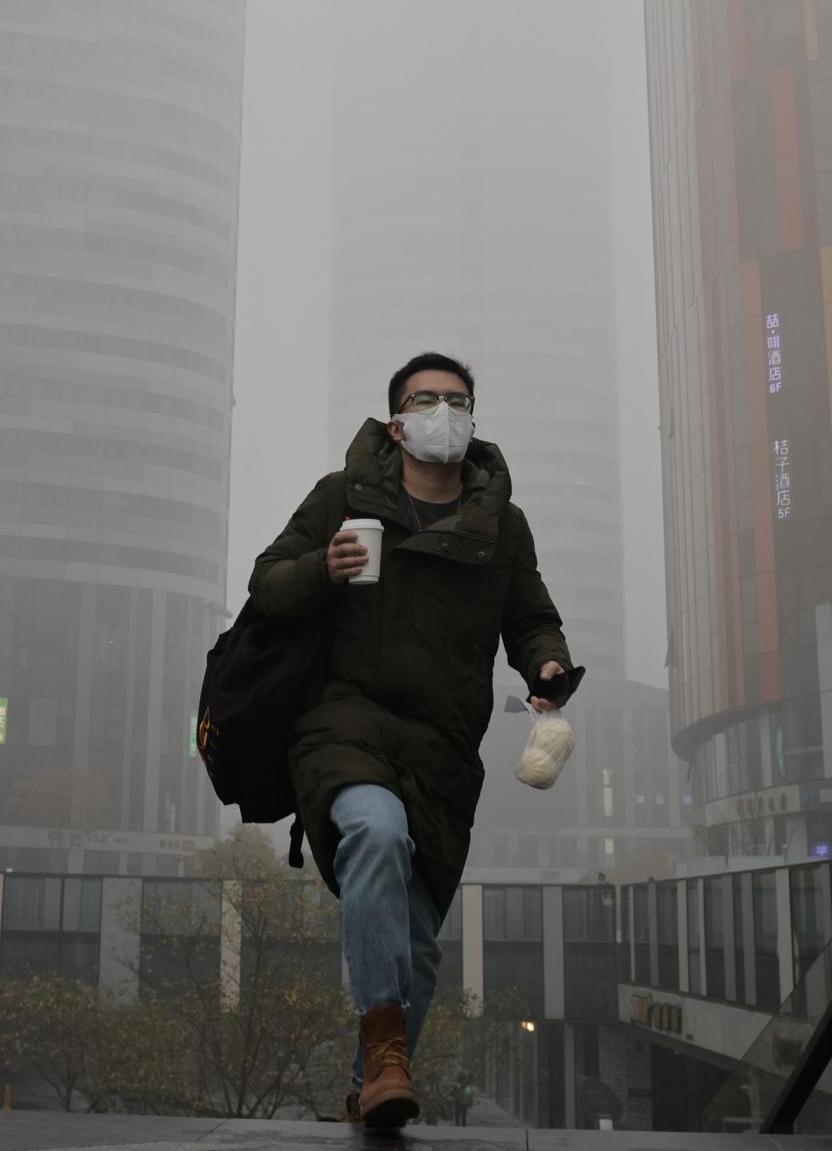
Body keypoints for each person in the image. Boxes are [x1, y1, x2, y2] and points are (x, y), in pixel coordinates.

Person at [249, 352, 573, 1128]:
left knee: (421, 951)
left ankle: (372, 1089)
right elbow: (267, 582)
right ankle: (390, 1055)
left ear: (472, 420)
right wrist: (322, 569)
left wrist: (548, 664)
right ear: (396, 424)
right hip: (345, 725)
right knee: (376, 831)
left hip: (441, 754)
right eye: (425, 400)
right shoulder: (343, 498)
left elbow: (529, 616)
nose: (442, 412)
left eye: (456, 401)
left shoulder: (502, 526)